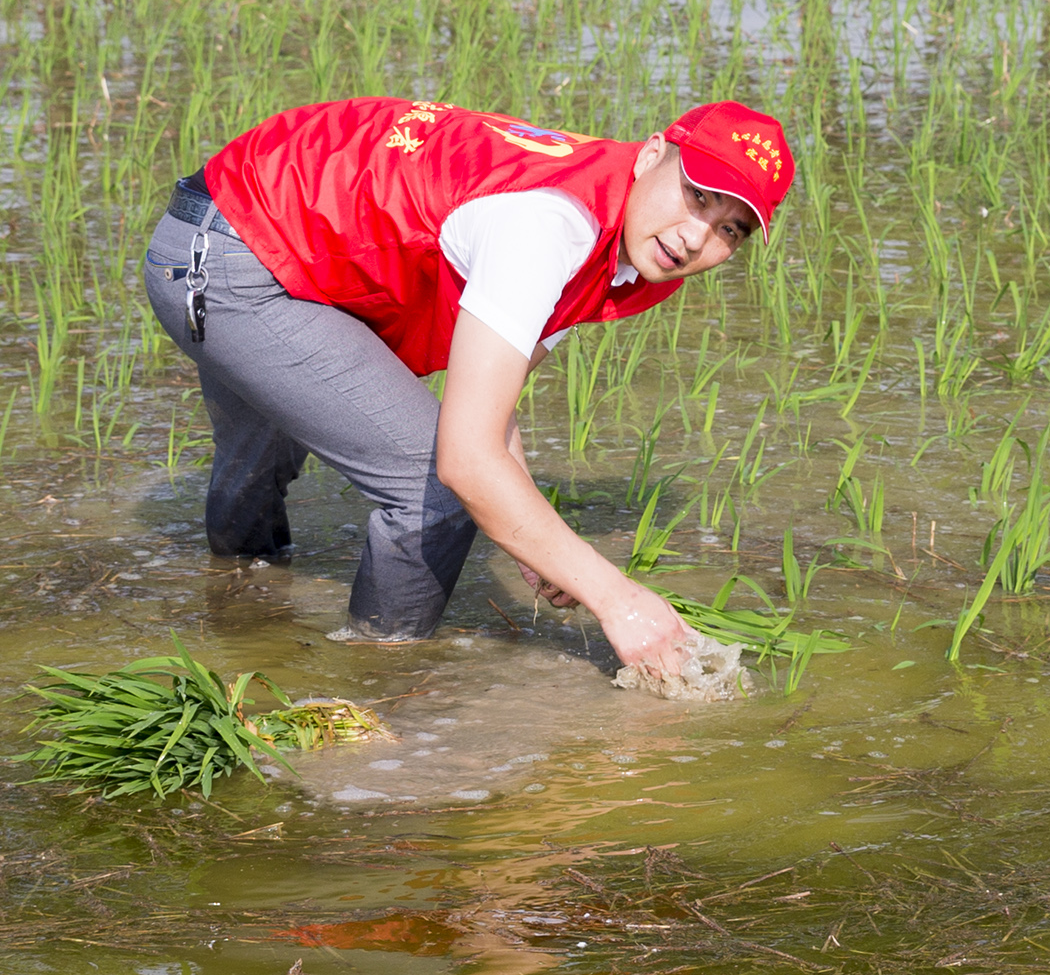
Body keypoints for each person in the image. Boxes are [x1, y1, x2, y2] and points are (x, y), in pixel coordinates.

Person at [142, 97, 794, 676]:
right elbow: (466, 459)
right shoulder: (550, 226)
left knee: (264, 464)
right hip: (231, 256)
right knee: (430, 491)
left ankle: (235, 618)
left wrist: (541, 544)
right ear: (653, 153)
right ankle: (378, 686)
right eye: (697, 195)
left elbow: (489, 398)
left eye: (729, 229)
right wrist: (617, 599)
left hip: (274, 235)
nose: (694, 237)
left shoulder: (628, 244)